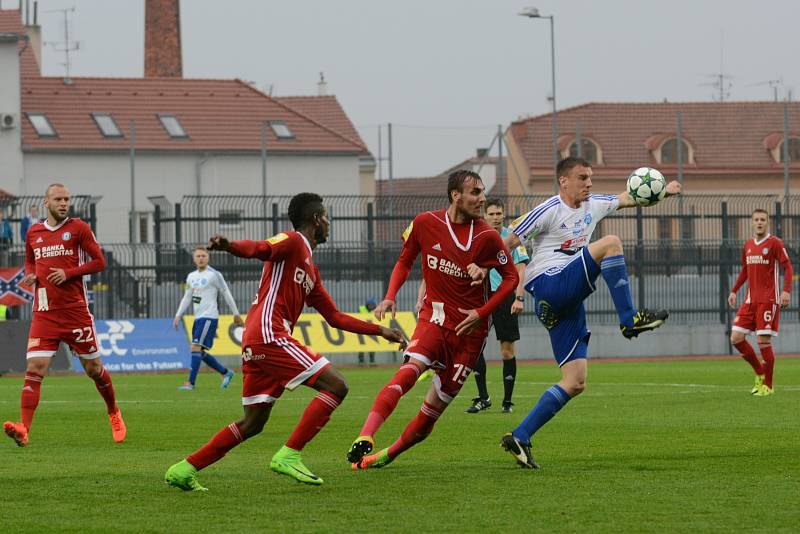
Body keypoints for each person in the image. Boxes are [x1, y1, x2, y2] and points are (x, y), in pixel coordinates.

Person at [164, 192, 405, 491]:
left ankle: (184, 468)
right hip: (269, 334)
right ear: (316, 219)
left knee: (253, 423)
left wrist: (381, 331)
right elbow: (262, 248)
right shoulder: (292, 241)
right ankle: (290, 454)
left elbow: (335, 317)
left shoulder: (310, 268)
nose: (329, 223)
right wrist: (230, 246)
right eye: (327, 217)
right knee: (337, 386)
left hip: (259, 341)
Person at [493, 157, 678, 469]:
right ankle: (629, 318)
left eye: (590, 177)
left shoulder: (596, 204)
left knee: (575, 381)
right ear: (564, 181)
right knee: (611, 243)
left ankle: (520, 435)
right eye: (582, 178)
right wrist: (479, 264)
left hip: (565, 302)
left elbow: (627, 197)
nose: (589, 183)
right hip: (550, 284)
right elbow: (507, 241)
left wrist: (663, 192)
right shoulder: (549, 209)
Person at [346, 170, 519, 470]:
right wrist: (390, 295)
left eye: (482, 192)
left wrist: (482, 312)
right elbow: (405, 258)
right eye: (475, 192)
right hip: (434, 318)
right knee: (410, 371)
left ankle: (383, 456)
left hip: (469, 336)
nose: (481, 198)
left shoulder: (488, 237)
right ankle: (366, 435)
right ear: (455, 195)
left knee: (430, 416)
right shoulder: (426, 223)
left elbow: (511, 277)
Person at [3, 183, 125, 447]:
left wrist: (69, 274)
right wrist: (32, 274)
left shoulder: (79, 228)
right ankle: (24, 429)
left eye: (66, 199)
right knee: (35, 368)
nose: (64, 203)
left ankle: (113, 411)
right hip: (44, 312)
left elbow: (99, 262)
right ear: (46, 203)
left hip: (75, 312)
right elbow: (30, 260)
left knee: (93, 369)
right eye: (58, 199)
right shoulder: (34, 232)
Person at [465, 197, 529, 414]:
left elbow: (521, 268)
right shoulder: (477, 236)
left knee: (506, 351)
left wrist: (519, 297)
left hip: (505, 297)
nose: (495, 217)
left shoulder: (511, 238)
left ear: (503, 214)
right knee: (474, 348)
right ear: (484, 215)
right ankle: (483, 398)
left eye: (498, 213)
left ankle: (507, 402)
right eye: (491, 214)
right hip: (481, 297)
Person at [728, 209, 793, 397]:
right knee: (736, 338)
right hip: (750, 301)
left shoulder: (775, 243)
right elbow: (745, 270)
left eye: (763, 219)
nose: (759, 222)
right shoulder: (748, 245)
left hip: (768, 300)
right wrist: (734, 291)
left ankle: (769, 385)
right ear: (751, 222)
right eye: (756, 219)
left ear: (767, 223)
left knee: (763, 341)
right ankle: (759, 372)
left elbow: (787, 267)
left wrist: (786, 291)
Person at [173, 246, 244, 390]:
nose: (201, 258)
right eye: (198, 256)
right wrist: (178, 315)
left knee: (195, 347)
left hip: (209, 316)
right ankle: (225, 372)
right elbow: (187, 297)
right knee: (199, 351)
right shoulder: (191, 277)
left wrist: (236, 313)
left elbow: (226, 293)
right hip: (198, 317)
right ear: (194, 259)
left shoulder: (214, 275)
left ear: (208, 257)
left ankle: (190, 383)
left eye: (203, 256)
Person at [357, 297, 377, 365]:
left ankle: (372, 360)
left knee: (372, 345)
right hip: (362, 330)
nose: (371, 306)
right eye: (369, 305)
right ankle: (361, 361)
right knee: (361, 346)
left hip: (371, 331)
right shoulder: (361, 309)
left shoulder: (375, 310)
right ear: (367, 305)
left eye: (372, 305)